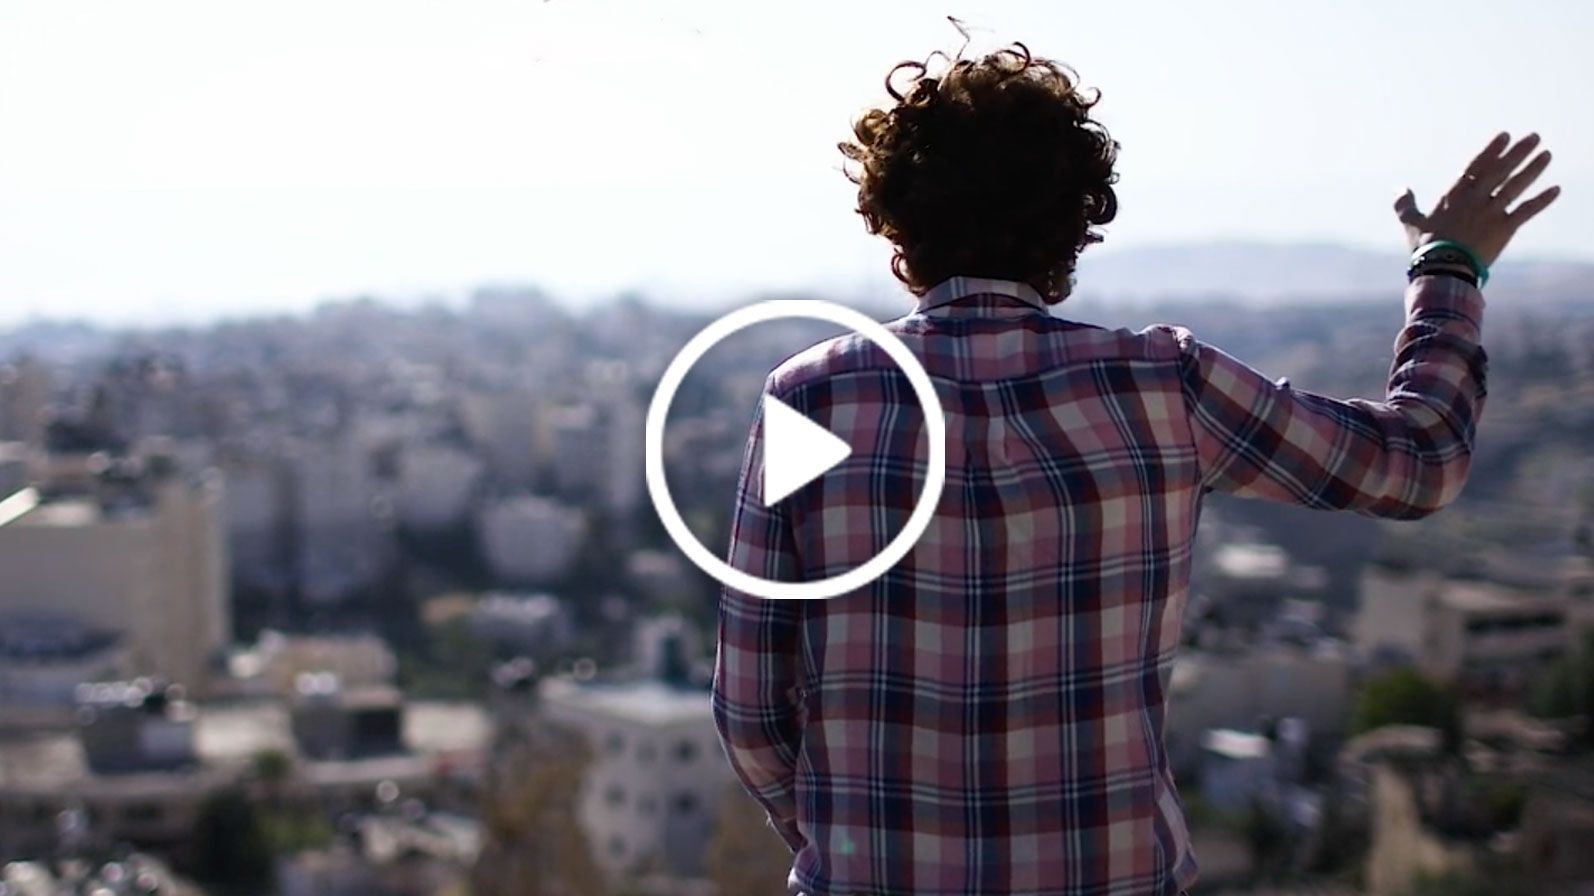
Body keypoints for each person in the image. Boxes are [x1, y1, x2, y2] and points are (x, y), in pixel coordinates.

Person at [712, 43, 1559, 896]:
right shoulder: (1161, 384)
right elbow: (1418, 463)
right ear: (1074, 223)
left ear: (894, 222)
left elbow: (750, 709)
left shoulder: (810, 400)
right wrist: (1447, 267)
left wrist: (845, 839)